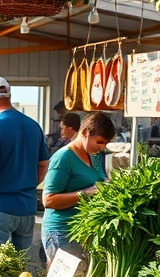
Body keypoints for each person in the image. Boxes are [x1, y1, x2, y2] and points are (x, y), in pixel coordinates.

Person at [0, 76, 50, 251]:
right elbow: (44, 164)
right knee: (20, 266)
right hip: (27, 209)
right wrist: (24, 185)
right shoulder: (33, 125)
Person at [41, 112, 115, 263]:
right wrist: (85, 193)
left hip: (82, 231)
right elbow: (48, 200)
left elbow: (98, 180)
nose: (102, 148)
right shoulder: (63, 158)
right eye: (99, 142)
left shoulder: (94, 156)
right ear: (84, 133)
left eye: (105, 144)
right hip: (61, 232)